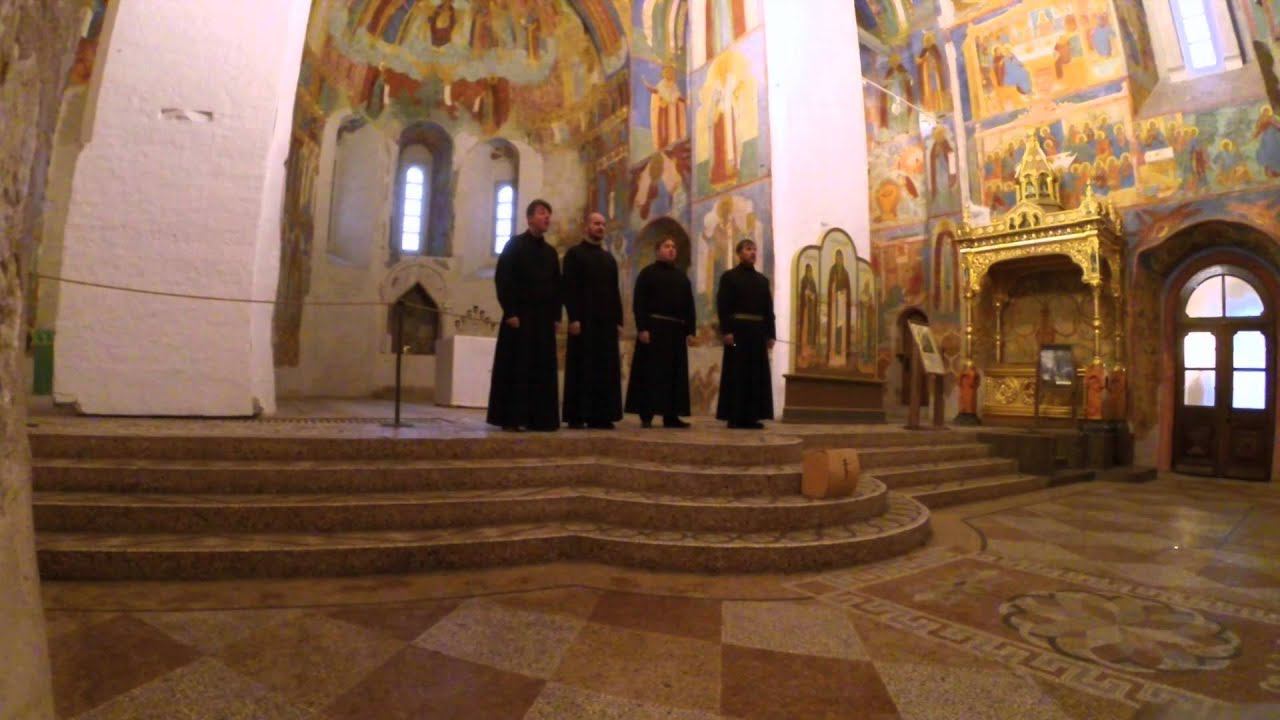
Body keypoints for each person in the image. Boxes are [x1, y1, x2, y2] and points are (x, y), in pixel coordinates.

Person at [486, 199, 561, 432]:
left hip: (544, 320)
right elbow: (503, 279)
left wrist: (557, 316)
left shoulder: (550, 253)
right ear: (529, 219)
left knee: (541, 369)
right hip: (519, 318)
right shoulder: (514, 245)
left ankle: (541, 419)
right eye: (541, 213)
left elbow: (557, 287)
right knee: (518, 368)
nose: (546, 217)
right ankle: (513, 417)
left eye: (548, 214)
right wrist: (510, 311)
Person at [625, 237, 696, 428]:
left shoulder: (682, 277)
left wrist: (690, 330)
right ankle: (646, 414)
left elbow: (689, 306)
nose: (671, 249)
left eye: (673, 247)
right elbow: (639, 303)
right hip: (653, 330)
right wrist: (642, 328)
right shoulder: (647, 274)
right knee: (650, 373)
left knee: (674, 375)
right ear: (657, 251)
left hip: (676, 332)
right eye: (667, 246)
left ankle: (671, 416)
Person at [562, 212, 623, 429]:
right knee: (582, 367)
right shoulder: (574, 254)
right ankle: (577, 415)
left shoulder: (609, 259)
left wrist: (618, 321)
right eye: (596, 223)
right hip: (583, 322)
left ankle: (601, 415)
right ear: (586, 226)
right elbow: (569, 288)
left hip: (606, 324)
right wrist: (574, 317)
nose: (601, 227)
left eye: (603, 224)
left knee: (604, 369)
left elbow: (615, 291)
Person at [715, 239, 775, 429]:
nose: (753, 253)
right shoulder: (729, 277)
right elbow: (723, 306)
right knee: (736, 373)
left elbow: (768, 310)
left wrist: (771, 334)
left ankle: (752, 417)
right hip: (737, 334)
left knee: (755, 375)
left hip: (757, 335)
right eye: (748, 249)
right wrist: (726, 331)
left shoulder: (762, 281)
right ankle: (734, 416)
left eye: (754, 249)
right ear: (739, 253)